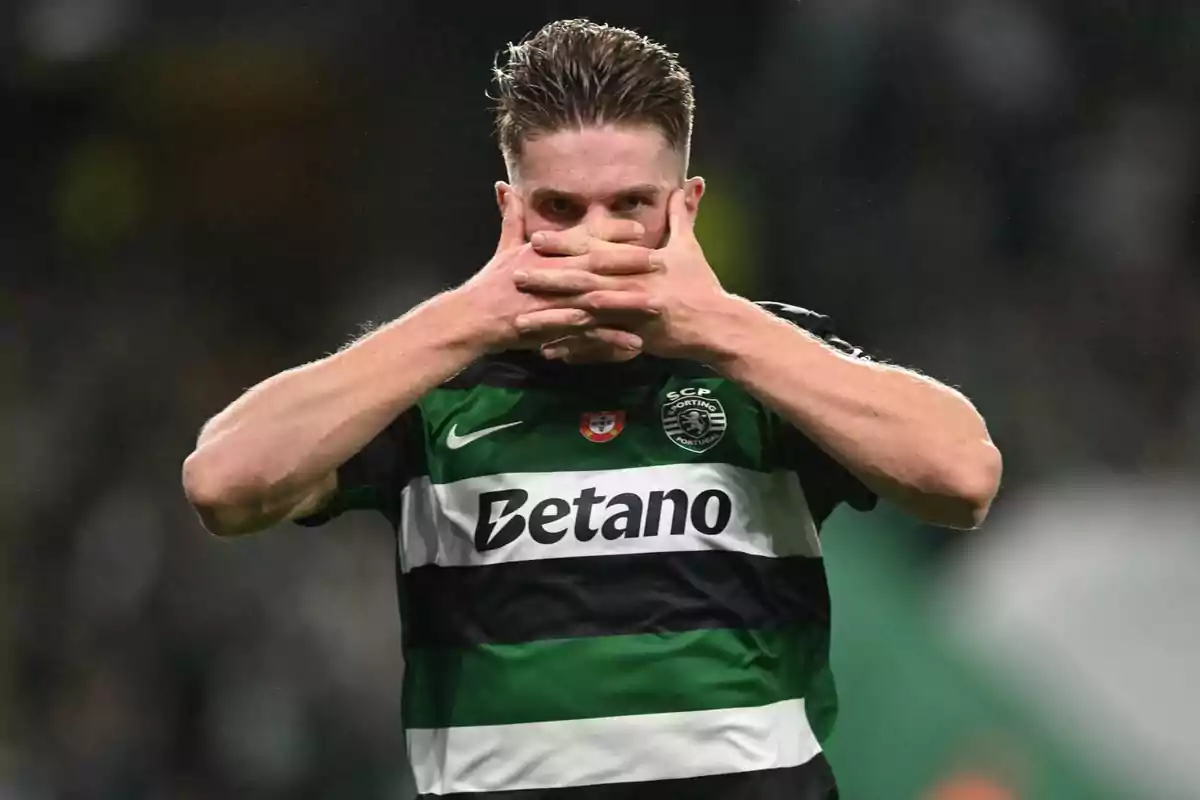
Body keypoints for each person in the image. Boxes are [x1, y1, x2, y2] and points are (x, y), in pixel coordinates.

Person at [182, 19, 1002, 800]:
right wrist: (468, 316)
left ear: (686, 207)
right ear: (511, 210)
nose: (596, 242)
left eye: (630, 206)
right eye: (561, 209)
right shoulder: (434, 386)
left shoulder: (765, 363)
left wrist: (716, 326)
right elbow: (224, 481)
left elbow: (962, 476)